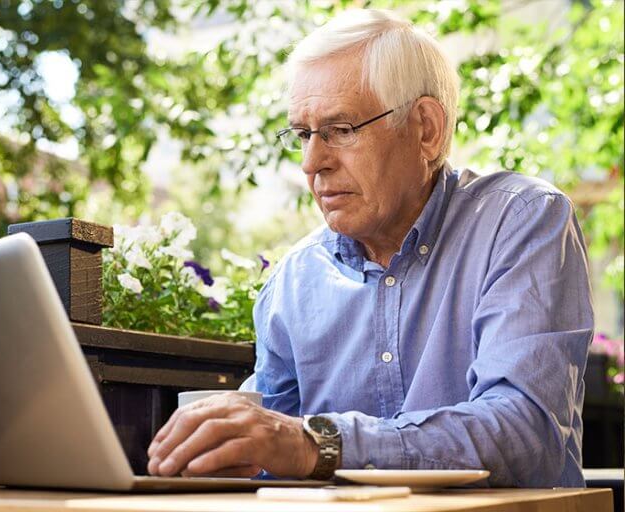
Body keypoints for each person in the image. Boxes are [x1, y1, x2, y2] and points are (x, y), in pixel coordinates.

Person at [146, 8, 593, 487]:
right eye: (302, 135)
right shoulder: (293, 280)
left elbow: (523, 433)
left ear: (426, 129)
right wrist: (219, 451)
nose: (312, 163)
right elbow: (269, 448)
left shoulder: (521, 220)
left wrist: (319, 444)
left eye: (340, 130)